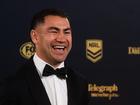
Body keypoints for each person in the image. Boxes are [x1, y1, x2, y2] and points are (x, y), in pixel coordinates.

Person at [2, 9, 90, 105]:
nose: (61, 39)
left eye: (66, 32)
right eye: (54, 31)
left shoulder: (80, 83)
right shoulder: (12, 84)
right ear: (35, 37)